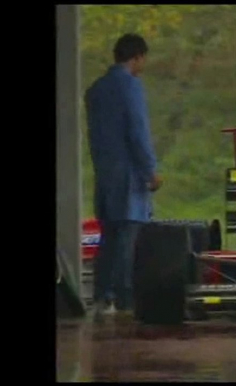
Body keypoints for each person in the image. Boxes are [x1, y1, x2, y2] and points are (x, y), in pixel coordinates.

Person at [84, 33, 162, 320]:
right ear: (138, 57)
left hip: (105, 174)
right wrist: (150, 170)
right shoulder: (130, 86)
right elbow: (137, 132)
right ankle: (124, 298)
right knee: (128, 237)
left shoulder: (95, 90)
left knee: (108, 237)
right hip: (129, 175)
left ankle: (102, 295)